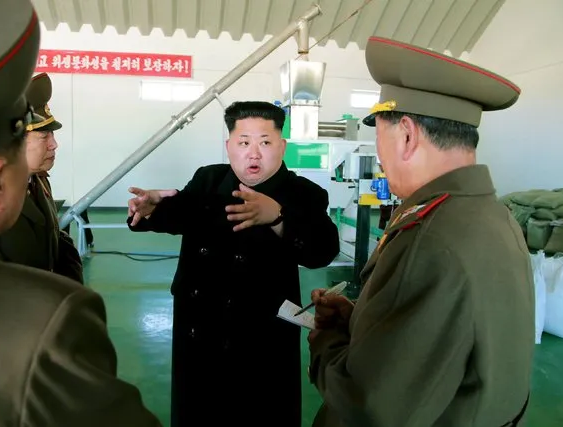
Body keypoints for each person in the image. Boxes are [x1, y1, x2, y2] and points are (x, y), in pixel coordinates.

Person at [0, 1, 161, 426]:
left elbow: (58, 240)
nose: (53, 146)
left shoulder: (40, 186)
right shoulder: (44, 321)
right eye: (35, 142)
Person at [307, 36, 534, 427]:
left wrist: (326, 341)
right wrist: (361, 320)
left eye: (379, 139)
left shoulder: (430, 236)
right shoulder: (493, 215)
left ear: (407, 135)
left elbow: (371, 408)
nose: (379, 157)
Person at [127, 101, 341, 426]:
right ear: (229, 146)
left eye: (265, 142)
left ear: (282, 146)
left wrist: (278, 218)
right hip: (200, 329)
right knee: (197, 410)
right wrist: (149, 209)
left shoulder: (303, 193)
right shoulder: (208, 179)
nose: (253, 154)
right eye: (244, 143)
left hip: (262, 337)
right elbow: (180, 213)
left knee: (261, 412)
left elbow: (322, 251)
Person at [0, 72, 84, 284]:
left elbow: (53, 235)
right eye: (43, 136)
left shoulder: (37, 180)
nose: (54, 144)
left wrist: (70, 283)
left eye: (53, 135)